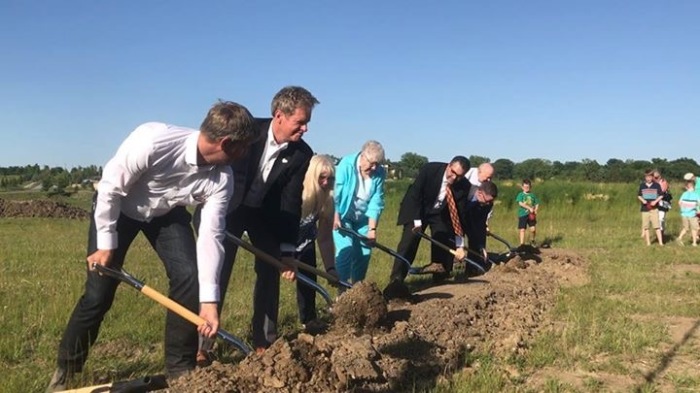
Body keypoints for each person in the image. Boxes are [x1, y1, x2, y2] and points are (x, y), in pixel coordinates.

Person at [47, 101, 258, 392]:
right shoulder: (152, 141)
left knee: (189, 276)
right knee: (99, 293)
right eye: (244, 148)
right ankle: (67, 371)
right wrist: (106, 244)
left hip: (165, 215)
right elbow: (109, 188)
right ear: (226, 143)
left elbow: (211, 236)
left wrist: (209, 302)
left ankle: (180, 370)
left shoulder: (222, 178)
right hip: (119, 208)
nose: (246, 155)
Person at [197, 86, 318, 356]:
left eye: (307, 122)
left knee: (270, 269)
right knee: (216, 271)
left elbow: (290, 202)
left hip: (263, 216)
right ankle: (201, 345)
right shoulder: (248, 134)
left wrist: (287, 250)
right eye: (301, 122)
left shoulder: (301, 154)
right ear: (279, 116)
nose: (305, 129)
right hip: (227, 209)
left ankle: (264, 342)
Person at [382, 156, 470, 298]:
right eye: (452, 173)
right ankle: (396, 280)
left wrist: (460, 245)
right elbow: (415, 195)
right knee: (409, 241)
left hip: (440, 213)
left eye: (459, 176)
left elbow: (459, 215)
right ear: (448, 165)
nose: (454, 178)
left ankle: (440, 277)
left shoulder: (464, 186)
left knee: (443, 238)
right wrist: (417, 222)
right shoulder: (430, 170)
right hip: (419, 208)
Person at [332, 140, 386, 284]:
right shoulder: (346, 165)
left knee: (364, 253)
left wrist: (372, 229)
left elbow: (376, 201)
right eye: (372, 163)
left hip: (363, 218)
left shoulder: (380, 173)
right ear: (362, 156)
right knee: (346, 250)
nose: (374, 167)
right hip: (343, 215)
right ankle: (342, 291)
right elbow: (336, 192)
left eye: (378, 164)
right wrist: (335, 214)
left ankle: (357, 290)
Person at [295, 155, 337, 326]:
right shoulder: (298, 195)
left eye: (330, 178)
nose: (326, 182)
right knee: (268, 286)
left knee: (309, 280)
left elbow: (325, 238)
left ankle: (309, 320)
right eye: (321, 177)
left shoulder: (327, 200)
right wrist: (284, 256)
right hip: (279, 242)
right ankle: (267, 336)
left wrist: (330, 268)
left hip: (305, 241)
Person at [464, 180, 498, 270]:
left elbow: (479, 224)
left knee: (476, 239)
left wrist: (481, 246)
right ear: (479, 193)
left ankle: (472, 269)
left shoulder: (488, 204)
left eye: (490, 201)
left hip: (472, 219)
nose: (488, 204)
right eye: (487, 201)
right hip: (456, 218)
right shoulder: (465, 192)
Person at [638, 169, 664, 246]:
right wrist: (643, 200)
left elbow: (661, 195)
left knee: (657, 226)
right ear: (645, 177)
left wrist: (655, 201)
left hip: (654, 208)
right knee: (646, 226)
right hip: (645, 208)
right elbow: (639, 195)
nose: (648, 178)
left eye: (650, 177)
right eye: (647, 177)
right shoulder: (642, 185)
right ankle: (648, 243)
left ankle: (660, 242)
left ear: (652, 177)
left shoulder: (656, 185)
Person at [516, 179, 540, 246]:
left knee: (533, 229)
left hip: (531, 215)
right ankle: (522, 244)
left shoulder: (533, 195)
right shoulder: (520, 195)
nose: (526, 188)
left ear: (530, 187)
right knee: (522, 229)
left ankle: (532, 240)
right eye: (525, 187)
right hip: (522, 214)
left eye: (528, 187)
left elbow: (537, 203)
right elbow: (520, 203)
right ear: (522, 187)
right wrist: (529, 208)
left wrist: (536, 209)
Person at [677, 179, 700, 246]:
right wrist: (698, 210)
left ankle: (679, 238)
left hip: (684, 214)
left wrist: (682, 209)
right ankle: (694, 243)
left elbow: (679, 202)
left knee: (686, 228)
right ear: (694, 187)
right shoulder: (696, 195)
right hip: (692, 214)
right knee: (694, 229)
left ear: (686, 187)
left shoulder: (684, 193)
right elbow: (699, 203)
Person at [653, 169, 672, 235]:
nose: (654, 177)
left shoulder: (664, 181)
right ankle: (659, 233)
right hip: (654, 201)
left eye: (656, 176)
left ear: (659, 175)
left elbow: (663, 190)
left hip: (663, 201)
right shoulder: (652, 182)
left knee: (661, 218)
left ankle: (661, 233)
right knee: (655, 218)